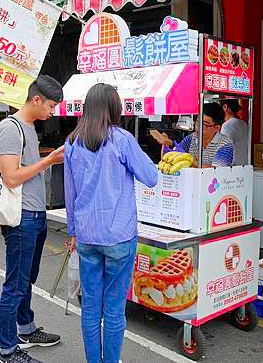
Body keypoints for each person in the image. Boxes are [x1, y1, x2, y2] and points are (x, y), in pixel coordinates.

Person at [64, 83, 158, 363]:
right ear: (115, 109)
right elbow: (151, 177)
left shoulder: (72, 142)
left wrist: (72, 231)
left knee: (91, 307)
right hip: (119, 236)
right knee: (114, 309)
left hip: (87, 236)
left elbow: (70, 193)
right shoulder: (122, 139)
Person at [0, 75, 65, 363]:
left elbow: (27, 166)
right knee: (15, 285)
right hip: (21, 218)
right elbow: (11, 177)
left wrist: (47, 157)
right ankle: (7, 351)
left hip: (36, 215)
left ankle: (26, 329)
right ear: (36, 100)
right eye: (50, 105)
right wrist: (48, 161)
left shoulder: (30, 129)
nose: (52, 112)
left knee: (27, 279)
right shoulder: (10, 129)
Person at [153, 103, 235, 167]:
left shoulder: (226, 144)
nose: (198, 128)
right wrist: (165, 144)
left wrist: (191, 161)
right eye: (198, 122)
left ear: (216, 128)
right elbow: (170, 158)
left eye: (204, 124)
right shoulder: (191, 138)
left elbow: (216, 171)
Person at [219, 99, 249, 165]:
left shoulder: (227, 125)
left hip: (232, 167)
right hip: (244, 165)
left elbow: (225, 151)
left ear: (225, 107)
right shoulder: (244, 124)